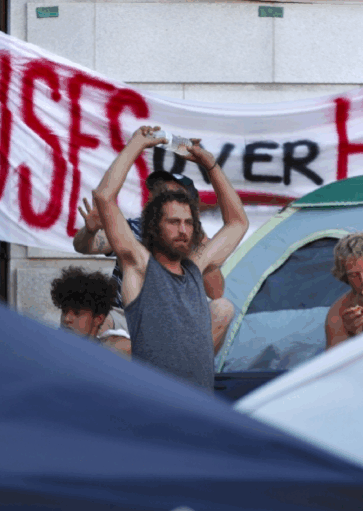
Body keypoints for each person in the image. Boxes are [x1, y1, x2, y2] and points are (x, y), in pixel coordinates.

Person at [92, 126, 248, 390]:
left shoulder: (195, 266)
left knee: (224, 306)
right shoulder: (139, 265)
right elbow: (104, 197)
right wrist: (136, 146)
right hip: (158, 408)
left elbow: (237, 222)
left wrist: (210, 165)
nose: (183, 230)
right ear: (154, 225)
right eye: (174, 222)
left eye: (188, 222)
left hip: (199, 407)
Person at [73, 169, 234, 352]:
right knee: (90, 317)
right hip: (125, 319)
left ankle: (189, 369)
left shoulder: (195, 240)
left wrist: (196, 240)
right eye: (157, 193)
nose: (158, 198)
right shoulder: (133, 228)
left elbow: (216, 292)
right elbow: (85, 246)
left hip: (171, 327)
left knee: (223, 309)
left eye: (169, 195)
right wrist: (90, 231)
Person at [50, 266, 131, 356]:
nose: (67, 318)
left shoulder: (115, 351)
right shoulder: (50, 347)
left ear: (98, 319)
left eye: (77, 313)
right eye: (64, 311)